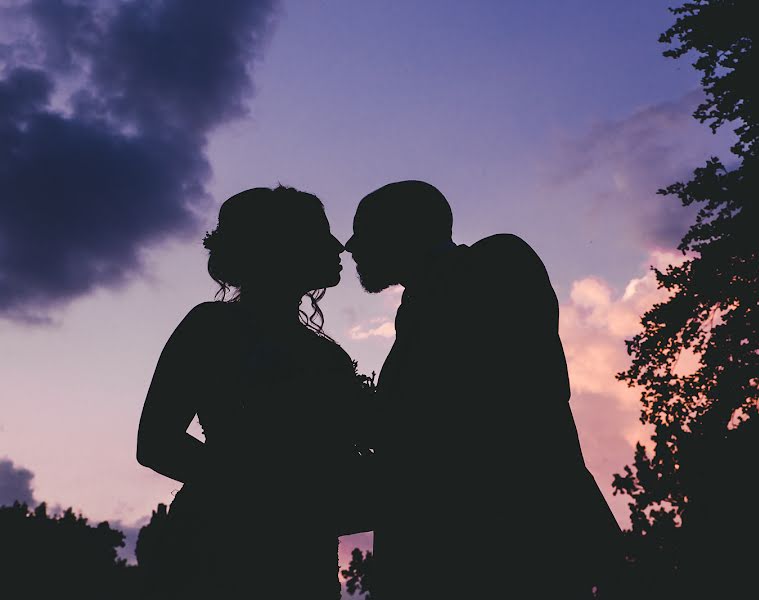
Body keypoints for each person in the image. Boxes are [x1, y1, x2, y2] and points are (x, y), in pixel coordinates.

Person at [345, 180, 623, 599]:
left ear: (405, 229)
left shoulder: (496, 262)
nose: (350, 247)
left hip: (511, 543)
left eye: (363, 231)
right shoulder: (419, 304)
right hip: (450, 551)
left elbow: (511, 402)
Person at [137, 185, 369, 598]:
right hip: (214, 552)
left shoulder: (327, 356)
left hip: (301, 557)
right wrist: (272, 495)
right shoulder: (211, 327)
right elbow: (155, 442)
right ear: (281, 246)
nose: (337, 246)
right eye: (320, 234)